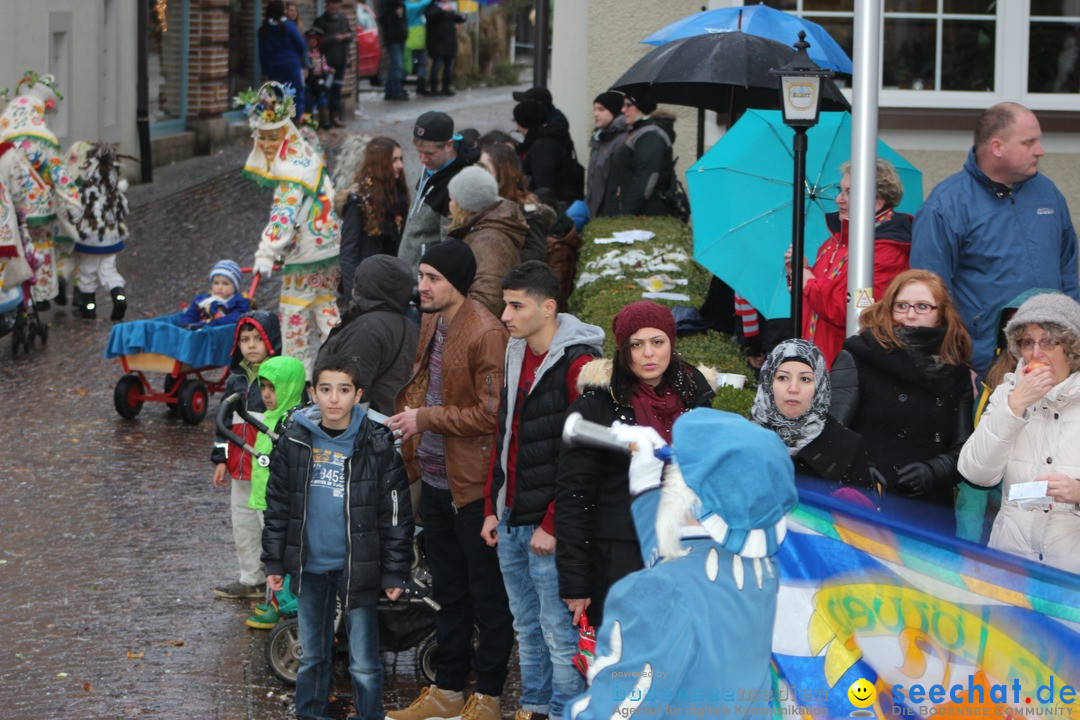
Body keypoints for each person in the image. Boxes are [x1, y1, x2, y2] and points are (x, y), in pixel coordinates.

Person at [566, 410, 797, 720]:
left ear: (687, 494)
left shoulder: (661, 591)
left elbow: (618, 710)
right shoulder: (761, 569)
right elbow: (684, 559)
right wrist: (646, 486)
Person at [387, 241, 513, 720]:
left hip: (472, 488)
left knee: (488, 596)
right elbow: (425, 387)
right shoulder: (433, 321)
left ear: (455, 283)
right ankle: (448, 689)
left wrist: (426, 418)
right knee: (450, 593)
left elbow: (490, 414)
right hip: (437, 481)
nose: (422, 286)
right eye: (421, 276)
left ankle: (490, 696)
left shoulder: (485, 332)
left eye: (432, 278)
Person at [480, 262, 603, 720]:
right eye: (504, 304)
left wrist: (552, 522)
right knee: (526, 627)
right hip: (510, 517)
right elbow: (505, 434)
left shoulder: (581, 365)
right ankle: (533, 706)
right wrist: (495, 507)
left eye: (516, 305)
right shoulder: (515, 352)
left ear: (548, 307)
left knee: (557, 631)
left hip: (549, 527)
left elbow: (585, 455)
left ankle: (564, 711)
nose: (506, 315)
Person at [262, 354, 414, 720]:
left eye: (343, 390)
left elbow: (394, 514)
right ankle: (310, 714)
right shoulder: (294, 441)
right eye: (326, 389)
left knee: (363, 660)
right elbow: (278, 506)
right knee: (313, 654)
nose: (334, 399)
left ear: (358, 395)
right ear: (312, 393)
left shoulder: (376, 444)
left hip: (358, 567)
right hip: (312, 564)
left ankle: (368, 714)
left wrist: (394, 571)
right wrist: (274, 560)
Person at [555, 301, 716, 628]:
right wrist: (576, 582)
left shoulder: (695, 393)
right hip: (619, 556)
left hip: (686, 549)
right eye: (636, 344)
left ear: (671, 343)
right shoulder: (596, 405)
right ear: (623, 349)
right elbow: (574, 496)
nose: (648, 354)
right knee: (624, 660)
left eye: (657, 342)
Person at [911, 102, 1080, 376]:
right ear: (997, 147)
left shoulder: (1048, 193)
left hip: (1052, 358)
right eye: (1029, 142)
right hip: (985, 364)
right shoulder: (946, 205)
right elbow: (930, 295)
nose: (1041, 151)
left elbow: (1068, 271)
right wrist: (955, 363)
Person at [831, 270, 974, 530]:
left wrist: (935, 470)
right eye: (902, 306)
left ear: (941, 314)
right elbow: (831, 430)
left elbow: (965, 449)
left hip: (931, 511)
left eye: (922, 307)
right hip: (867, 506)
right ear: (889, 308)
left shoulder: (956, 371)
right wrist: (860, 470)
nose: (910, 315)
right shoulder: (859, 355)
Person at [958, 292, 1080, 573]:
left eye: (1049, 341)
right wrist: (1014, 408)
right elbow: (975, 473)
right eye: (1027, 343)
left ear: (1071, 348)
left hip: (1071, 574)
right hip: (1010, 567)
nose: (1036, 353)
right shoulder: (1007, 393)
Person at [238, 81, 342, 378]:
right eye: (263, 139)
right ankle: (339, 370)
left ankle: (301, 378)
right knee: (326, 308)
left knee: (294, 314)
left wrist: (266, 253)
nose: (269, 146)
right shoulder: (306, 156)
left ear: (286, 136)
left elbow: (283, 214)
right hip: (329, 247)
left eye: (274, 138)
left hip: (307, 253)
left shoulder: (291, 171)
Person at [790, 159, 912, 366]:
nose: (838, 199)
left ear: (876, 203)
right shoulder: (835, 241)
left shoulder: (888, 252)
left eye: (849, 192)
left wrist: (808, 282)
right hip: (819, 365)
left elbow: (854, 311)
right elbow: (818, 302)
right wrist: (799, 273)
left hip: (846, 372)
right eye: (840, 190)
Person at [211, 310, 282, 600]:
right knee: (243, 522)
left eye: (257, 339)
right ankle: (251, 577)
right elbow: (223, 424)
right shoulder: (236, 379)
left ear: (271, 341)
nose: (251, 345)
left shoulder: (280, 377)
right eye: (244, 339)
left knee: (269, 523)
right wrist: (219, 458)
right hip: (239, 467)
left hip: (267, 467)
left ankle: (277, 583)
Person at [751, 339, 878, 499]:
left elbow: (863, 517)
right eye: (783, 378)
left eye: (805, 379)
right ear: (767, 382)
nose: (793, 389)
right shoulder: (746, 439)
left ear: (820, 386)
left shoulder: (846, 444)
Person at [0, 71, 81, 309]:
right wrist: (73, 203)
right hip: (39, 208)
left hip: (8, 209)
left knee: (17, 250)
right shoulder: (44, 139)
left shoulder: (3, 137)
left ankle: (18, 295)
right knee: (41, 246)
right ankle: (42, 293)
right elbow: (60, 174)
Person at [243, 354, 307, 630]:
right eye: (264, 387)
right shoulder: (271, 417)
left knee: (278, 553)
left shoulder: (291, 422)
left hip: (276, 502)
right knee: (269, 550)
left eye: (273, 388)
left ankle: (284, 604)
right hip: (263, 498)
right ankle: (274, 600)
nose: (267, 395)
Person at [316, 255, 420, 416]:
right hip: (391, 423)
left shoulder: (366, 329)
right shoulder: (410, 326)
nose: (353, 287)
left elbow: (348, 389)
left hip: (363, 427)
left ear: (367, 286)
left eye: (358, 282)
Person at [398, 110, 473, 277]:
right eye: (419, 152)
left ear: (449, 145)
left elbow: (449, 247)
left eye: (429, 154)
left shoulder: (457, 184)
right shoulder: (433, 165)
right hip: (407, 274)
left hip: (425, 282)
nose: (423, 159)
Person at [446, 166, 528, 317]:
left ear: (463, 204)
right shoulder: (481, 231)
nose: (450, 203)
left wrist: (459, 326)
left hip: (480, 332)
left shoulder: (488, 240)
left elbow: (488, 299)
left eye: (452, 198)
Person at [64, 141, 130, 321]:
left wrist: (72, 219)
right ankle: (119, 298)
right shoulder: (114, 192)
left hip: (90, 241)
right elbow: (122, 212)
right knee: (109, 271)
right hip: (111, 239)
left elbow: (76, 212)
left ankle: (89, 308)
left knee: (87, 272)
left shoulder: (86, 190)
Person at [339, 136, 409, 299]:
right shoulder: (359, 200)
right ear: (379, 164)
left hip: (393, 281)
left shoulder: (398, 193)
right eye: (394, 160)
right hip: (370, 285)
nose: (400, 165)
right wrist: (353, 296)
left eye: (401, 159)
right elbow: (349, 251)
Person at [478, 142, 556, 266]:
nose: (478, 173)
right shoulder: (479, 203)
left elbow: (536, 255)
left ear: (503, 172)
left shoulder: (528, 209)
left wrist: (497, 252)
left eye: (485, 168)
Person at [514, 100, 584, 207]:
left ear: (524, 123)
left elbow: (544, 188)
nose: (517, 129)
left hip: (559, 206)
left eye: (517, 122)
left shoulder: (542, 147)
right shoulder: (548, 138)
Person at [258, 0, 309, 120]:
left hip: (273, 67)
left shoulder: (264, 29)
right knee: (295, 94)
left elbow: (262, 53)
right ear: (282, 10)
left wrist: (265, 72)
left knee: (276, 96)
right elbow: (301, 45)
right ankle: (296, 123)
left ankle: (279, 124)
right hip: (291, 65)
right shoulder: (289, 25)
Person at [585, 90, 629, 219]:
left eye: (601, 109)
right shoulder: (599, 139)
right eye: (594, 109)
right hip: (595, 211)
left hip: (610, 213)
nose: (596, 114)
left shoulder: (621, 140)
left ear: (615, 110)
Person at [177, 259, 252, 329]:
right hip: (199, 330)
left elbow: (235, 317)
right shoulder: (202, 300)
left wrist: (212, 323)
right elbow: (191, 313)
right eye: (216, 283)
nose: (220, 287)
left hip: (220, 331)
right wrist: (186, 323)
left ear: (235, 287)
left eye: (225, 284)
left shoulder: (240, 301)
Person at [313, 0, 353, 127]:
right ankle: (325, 118)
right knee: (326, 89)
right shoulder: (320, 21)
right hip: (327, 62)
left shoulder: (343, 18)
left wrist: (347, 36)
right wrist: (334, 38)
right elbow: (316, 42)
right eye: (332, 4)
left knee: (337, 89)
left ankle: (335, 115)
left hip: (341, 59)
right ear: (327, 5)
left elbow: (351, 34)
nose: (334, 8)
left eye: (336, 5)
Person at [424, 0, 465, 97]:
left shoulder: (449, 7)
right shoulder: (431, 6)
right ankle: (434, 87)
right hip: (437, 41)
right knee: (437, 64)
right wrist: (442, 10)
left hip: (449, 41)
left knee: (449, 64)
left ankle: (446, 87)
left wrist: (463, 17)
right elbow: (430, 17)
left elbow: (455, 18)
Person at [379, 0, 410, 101]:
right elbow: (383, 19)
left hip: (400, 37)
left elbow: (403, 19)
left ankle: (390, 91)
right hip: (393, 39)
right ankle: (397, 91)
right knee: (397, 65)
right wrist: (395, 14)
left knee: (394, 65)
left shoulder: (401, 3)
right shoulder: (388, 3)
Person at [303, 27, 333, 129]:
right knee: (308, 103)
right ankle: (308, 122)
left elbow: (324, 66)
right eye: (310, 40)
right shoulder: (306, 55)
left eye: (314, 40)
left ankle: (324, 121)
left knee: (322, 102)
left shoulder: (320, 55)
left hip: (319, 82)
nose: (312, 42)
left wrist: (328, 70)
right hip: (309, 83)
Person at [405, 0, 435, 96]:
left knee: (423, 63)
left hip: (419, 41)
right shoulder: (409, 6)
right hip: (413, 41)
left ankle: (421, 85)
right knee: (410, 64)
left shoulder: (413, 7)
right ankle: (408, 83)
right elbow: (423, 4)